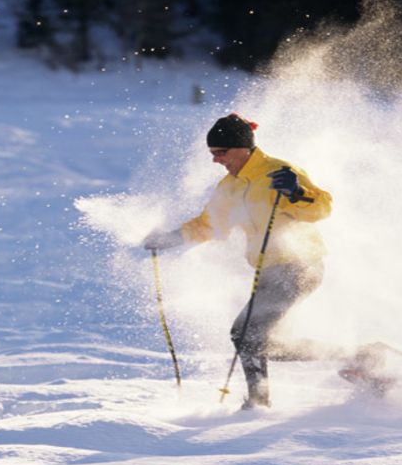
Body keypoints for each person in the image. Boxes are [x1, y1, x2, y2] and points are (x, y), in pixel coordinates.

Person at [142, 113, 332, 409]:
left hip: (300, 266)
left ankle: (258, 403)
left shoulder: (279, 171)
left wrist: (297, 192)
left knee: (247, 333)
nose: (216, 159)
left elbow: (321, 208)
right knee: (265, 342)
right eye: (212, 153)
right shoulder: (229, 186)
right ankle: (360, 355)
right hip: (269, 272)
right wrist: (170, 238)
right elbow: (208, 225)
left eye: (221, 152)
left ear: (242, 147)